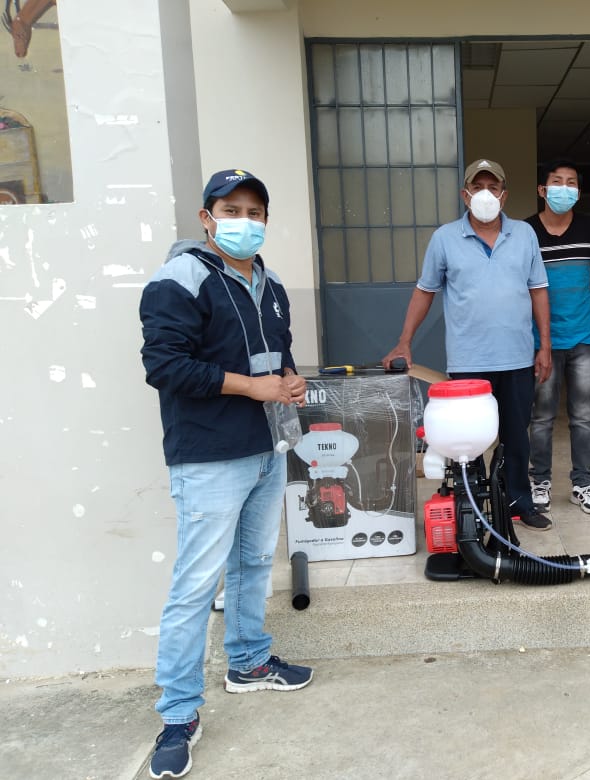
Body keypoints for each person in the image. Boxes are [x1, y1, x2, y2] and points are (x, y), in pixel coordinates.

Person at [140, 169, 314, 779]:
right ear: (206, 217)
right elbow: (165, 366)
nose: (245, 221)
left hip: (267, 445)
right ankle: (178, 714)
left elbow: (277, 356)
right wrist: (250, 386)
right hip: (210, 455)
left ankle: (248, 661)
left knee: (253, 565)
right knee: (196, 585)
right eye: (231, 210)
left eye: (255, 212)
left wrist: (289, 381)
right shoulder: (179, 279)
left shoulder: (271, 282)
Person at [382, 159, 553, 531]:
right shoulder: (445, 238)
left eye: (493, 187)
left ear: (504, 196)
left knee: (515, 437)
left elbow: (538, 289)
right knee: (467, 441)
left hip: (517, 357)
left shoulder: (524, 234)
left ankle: (518, 502)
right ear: (465, 195)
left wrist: (545, 346)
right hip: (468, 361)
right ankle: (472, 506)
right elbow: (425, 291)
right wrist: (403, 342)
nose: (485, 194)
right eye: (478, 187)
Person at [525, 159, 590, 515]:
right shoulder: (526, 232)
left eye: (571, 182)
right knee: (542, 417)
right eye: (557, 181)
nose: (564, 188)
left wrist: (581, 312)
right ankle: (539, 481)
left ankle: (583, 483)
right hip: (540, 340)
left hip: (583, 338)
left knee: (582, 416)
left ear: (578, 190)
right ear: (542, 190)